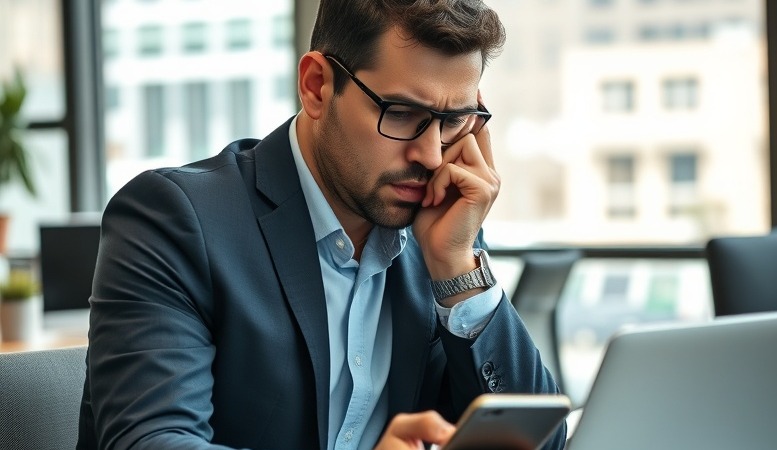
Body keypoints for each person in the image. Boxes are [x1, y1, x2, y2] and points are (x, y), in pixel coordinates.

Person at [77, 0, 567, 449]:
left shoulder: (438, 236)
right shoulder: (174, 218)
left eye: (454, 120)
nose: (432, 153)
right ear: (317, 86)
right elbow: (153, 442)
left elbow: (542, 443)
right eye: (402, 114)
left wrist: (458, 270)